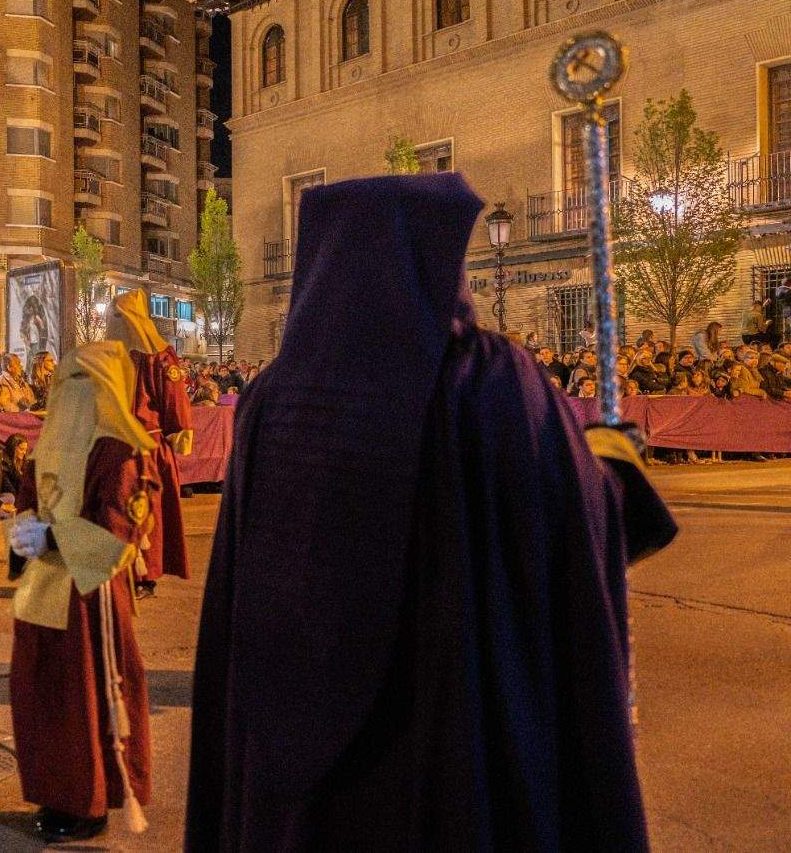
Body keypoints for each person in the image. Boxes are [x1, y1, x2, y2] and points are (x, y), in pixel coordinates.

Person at [186, 173, 676, 851]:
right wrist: (614, 470)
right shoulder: (492, 381)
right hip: (442, 743)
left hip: (294, 786)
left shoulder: (272, 397)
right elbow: (567, 521)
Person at [6, 340, 159, 842]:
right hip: (46, 588)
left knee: (85, 699)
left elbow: (120, 531)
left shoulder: (119, 448)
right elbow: (31, 495)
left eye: (85, 383)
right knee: (45, 697)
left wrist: (52, 536)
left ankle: (89, 799)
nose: (73, 394)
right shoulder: (51, 441)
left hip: (90, 597)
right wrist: (23, 529)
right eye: (66, 382)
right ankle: (57, 789)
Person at [105, 287, 192, 600]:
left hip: (146, 448)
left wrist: (179, 430)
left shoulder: (158, 356)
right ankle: (118, 572)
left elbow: (173, 398)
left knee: (144, 513)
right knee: (113, 511)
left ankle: (144, 577)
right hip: (112, 447)